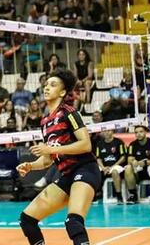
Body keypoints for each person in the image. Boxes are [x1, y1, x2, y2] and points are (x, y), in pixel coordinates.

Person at [17, 70, 98, 245]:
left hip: (85, 169)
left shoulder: (69, 112)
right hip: (66, 175)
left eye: (52, 85)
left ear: (62, 92)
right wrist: (30, 166)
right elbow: (47, 159)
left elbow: (86, 145)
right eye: (46, 85)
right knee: (27, 220)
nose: (46, 88)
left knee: (73, 222)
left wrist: (53, 148)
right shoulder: (45, 121)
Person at [94, 129, 127, 204]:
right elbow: (98, 158)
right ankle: (96, 194)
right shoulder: (99, 144)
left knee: (114, 172)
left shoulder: (119, 142)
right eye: (104, 131)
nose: (106, 132)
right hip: (105, 167)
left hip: (117, 165)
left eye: (108, 130)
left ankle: (119, 196)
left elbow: (123, 157)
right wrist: (103, 168)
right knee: (94, 171)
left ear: (112, 131)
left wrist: (112, 167)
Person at [126, 125, 150, 202]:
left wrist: (146, 162)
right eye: (136, 132)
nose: (138, 134)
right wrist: (134, 162)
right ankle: (133, 195)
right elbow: (129, 159)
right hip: (138, 171)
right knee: (128, 168)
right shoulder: (132, 145)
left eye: (141, 132)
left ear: (145, 132)